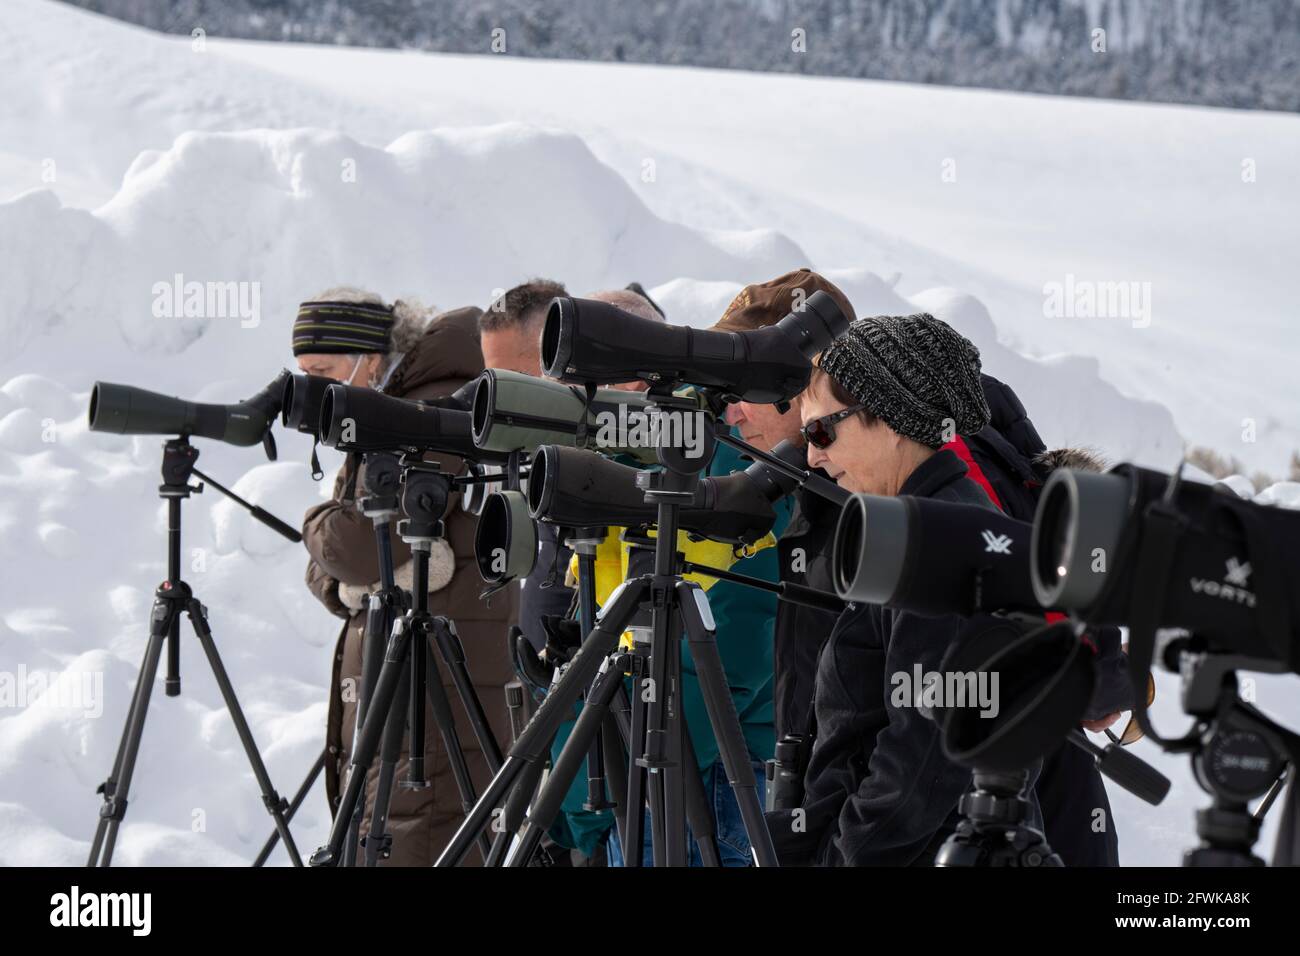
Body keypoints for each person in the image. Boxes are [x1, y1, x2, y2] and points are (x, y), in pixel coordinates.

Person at [766, 311, 1021, 865]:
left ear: (894, 418)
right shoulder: (917, 525)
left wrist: (847, 853)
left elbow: (924, 758)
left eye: (822, 430)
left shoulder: (941, 540)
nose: (811, 454)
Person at [295, 287, 517, 866]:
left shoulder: (431, 405)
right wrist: (342, 572)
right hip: (400, 671)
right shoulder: (379, 406)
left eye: (323, 369)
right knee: (389, 826)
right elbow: (339, 568)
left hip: (438, 676)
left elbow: (360, 547)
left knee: (419, 833)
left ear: (370, 356)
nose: (316, 385)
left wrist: (316, 522)